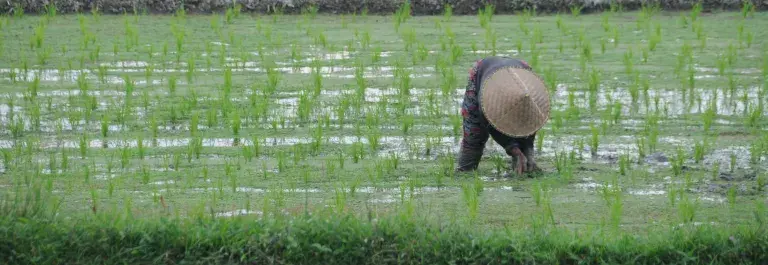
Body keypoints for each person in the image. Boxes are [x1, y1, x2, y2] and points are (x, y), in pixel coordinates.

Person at [455, 56, 551, 175]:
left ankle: (523, 169)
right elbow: (487, 121)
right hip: (483, 74)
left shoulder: (531, 97)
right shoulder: (487, 94)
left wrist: (528, 149)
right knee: (474, 136)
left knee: (524, 142)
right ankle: (465, 171)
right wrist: (511, 148)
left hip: (521, 70)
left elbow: (532, 122)